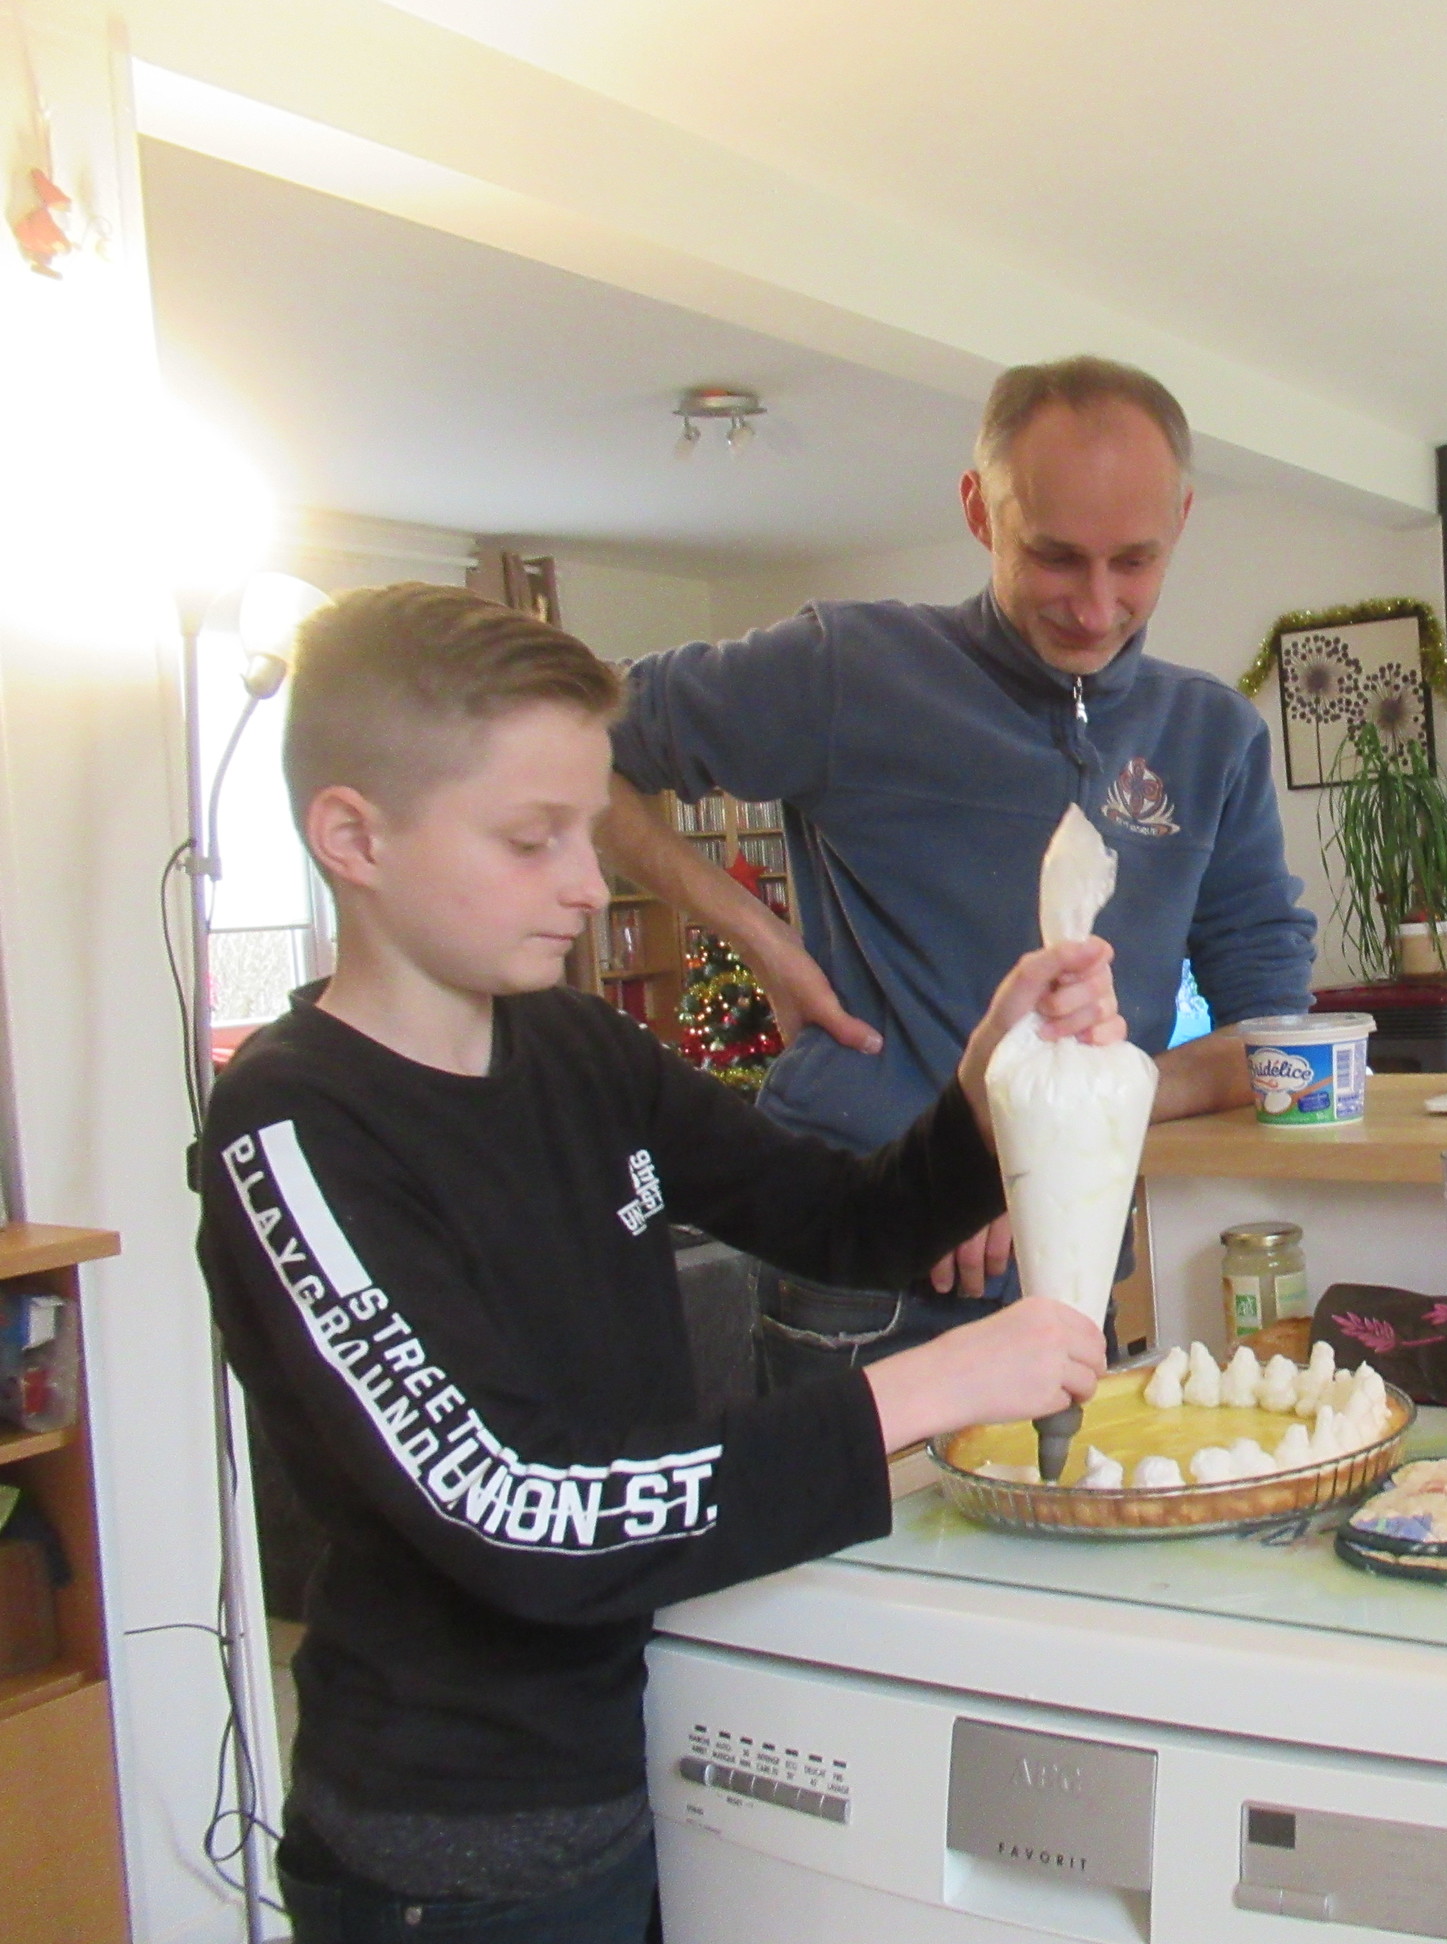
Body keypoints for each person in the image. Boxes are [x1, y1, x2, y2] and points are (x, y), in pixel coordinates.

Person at [196, 584, 1115, 1941]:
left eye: (588, 828)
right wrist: (926, 1390)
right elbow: (514, 1505)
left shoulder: (576, 1051)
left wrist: (991, 1080)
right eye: (533, 839)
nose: (589, 881)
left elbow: (847, 1222)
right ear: (354, 838)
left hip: (634, 1754)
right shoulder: (294, 1128)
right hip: (452, 1858)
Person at [603, 355, 1314, 1378]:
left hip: (1070, 1257)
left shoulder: (1214, 735)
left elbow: (1272, 1040)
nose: (1097, 605)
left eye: (1135, 561)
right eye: (1055, 557)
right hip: (858, 1274)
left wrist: (1038, 1140)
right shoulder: (847, 670)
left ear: (1182, 521)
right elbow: (564, 739)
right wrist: (761, 940)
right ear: (981, 510)